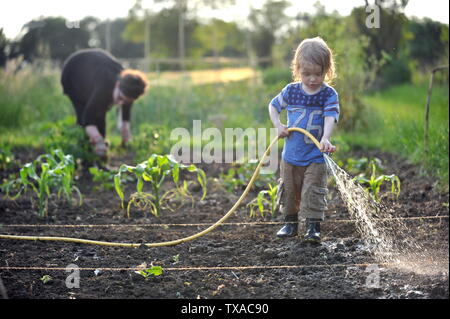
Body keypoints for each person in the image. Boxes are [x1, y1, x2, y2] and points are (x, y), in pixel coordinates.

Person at [268, 37, 339, 243]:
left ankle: (312, 227)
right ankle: (290, 225)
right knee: (289, 190)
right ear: (298, 69)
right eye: (306, 74)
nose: (312, 79)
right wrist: (278, 125)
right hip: (291, 155)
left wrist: (325, 138)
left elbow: (330, 116)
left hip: (315, 155)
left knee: (312, 190)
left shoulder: (328, 94)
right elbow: (273, 106)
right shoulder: (291, 91)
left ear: (327, 70)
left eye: (318, 74)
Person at [61, 48, 149, 159]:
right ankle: (84, 156)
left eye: (126, 101)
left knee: (100, 111)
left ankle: (99, 158)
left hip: (95, 70)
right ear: (117, 85)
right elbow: (88, 119)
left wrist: (126, 137)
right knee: (86, 115)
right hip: (73, 73)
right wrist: (98, 140)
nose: (120, 103)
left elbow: (125, 119)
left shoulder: (129, 87)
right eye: (120, 98)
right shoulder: (104, 88)